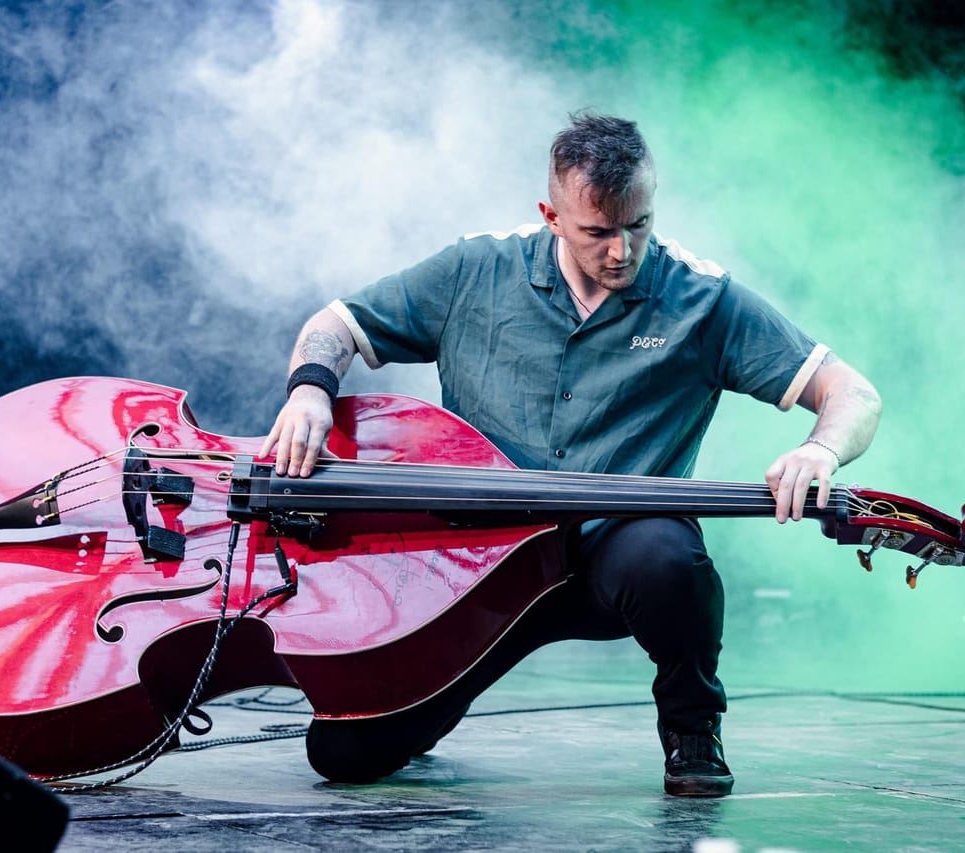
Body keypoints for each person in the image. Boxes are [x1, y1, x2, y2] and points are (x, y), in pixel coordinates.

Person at [259, 111, 882, 797]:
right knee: (343, 753)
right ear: (550, 215)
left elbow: (853, 392)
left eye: (638, 224)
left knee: (668, 556)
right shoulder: (476, 268)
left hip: (614, 558)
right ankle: (422, 713)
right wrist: (310, 394)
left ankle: (692, 727)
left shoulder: (701, 297)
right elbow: (334, 326)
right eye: (597, 231)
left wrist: (821, 449)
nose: (622, 250)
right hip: (478, 568)